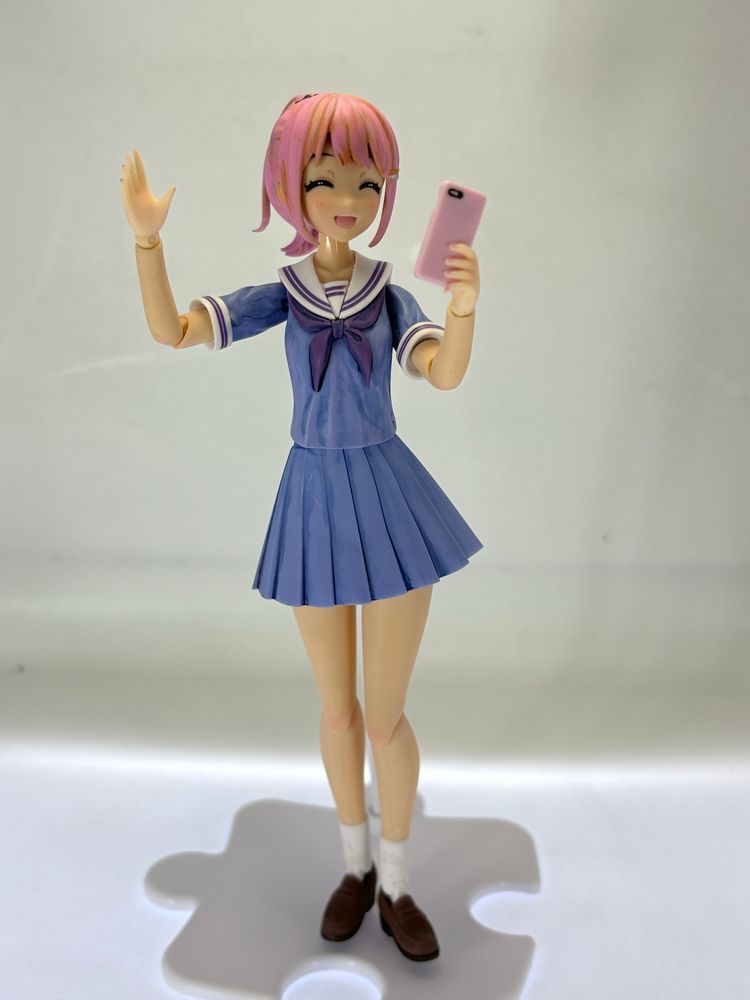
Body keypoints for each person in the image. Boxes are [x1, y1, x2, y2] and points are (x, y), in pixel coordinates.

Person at [120, 91, 482, 963]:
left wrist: (466, 309)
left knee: (384, 718)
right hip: (314, 499)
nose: (345, 199)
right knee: (337, 712)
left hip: (389, 499)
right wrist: (147, 242)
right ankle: (354, 866)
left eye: (365, 182)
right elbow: (173, 330)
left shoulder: (389, 293)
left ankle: (396, 882)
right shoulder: (282, 295)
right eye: (324, 180)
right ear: (291, 189)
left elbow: (442, 374)